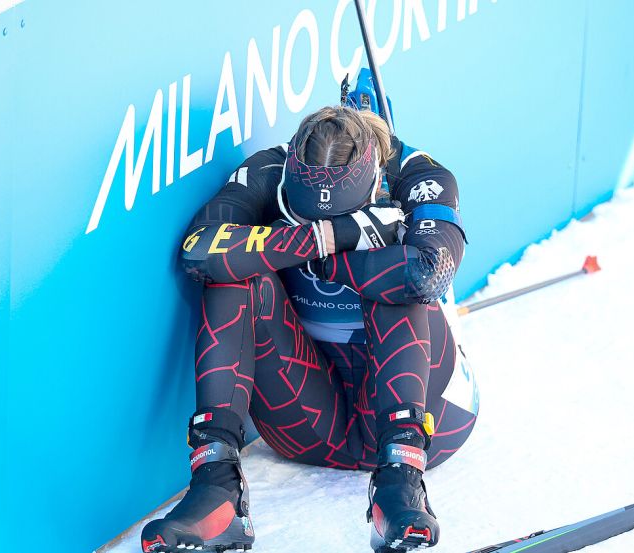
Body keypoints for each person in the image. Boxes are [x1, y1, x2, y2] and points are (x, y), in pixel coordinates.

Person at [140, 105, 478, 553]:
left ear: (375, 178)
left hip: (431, 421)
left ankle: (401, 485)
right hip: (311, 422)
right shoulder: (268, 169)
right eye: (306, 215)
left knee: (398, 278)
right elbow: (199, 251)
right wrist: (331, 237)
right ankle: (217, 489)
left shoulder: (418, 176)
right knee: (233, 274)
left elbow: (429, 274)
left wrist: (301, 252)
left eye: (337, 216)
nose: (318, 224)